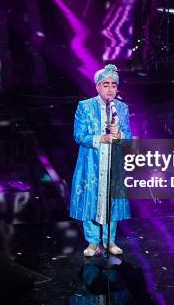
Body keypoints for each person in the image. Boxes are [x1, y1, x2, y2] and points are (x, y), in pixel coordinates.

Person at [70, 64, 133, 257]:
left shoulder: (121, 108)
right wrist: (101, 138)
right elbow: (79, 136)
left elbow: (128, 137)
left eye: (114, 85)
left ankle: (109, 241)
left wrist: (120, 134)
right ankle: (92, 242)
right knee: (91, 200)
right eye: (106, 84)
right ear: (97, 87)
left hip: (113, 163)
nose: (110, 89)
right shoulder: (85, 107)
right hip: (91, 164)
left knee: (111, 202)